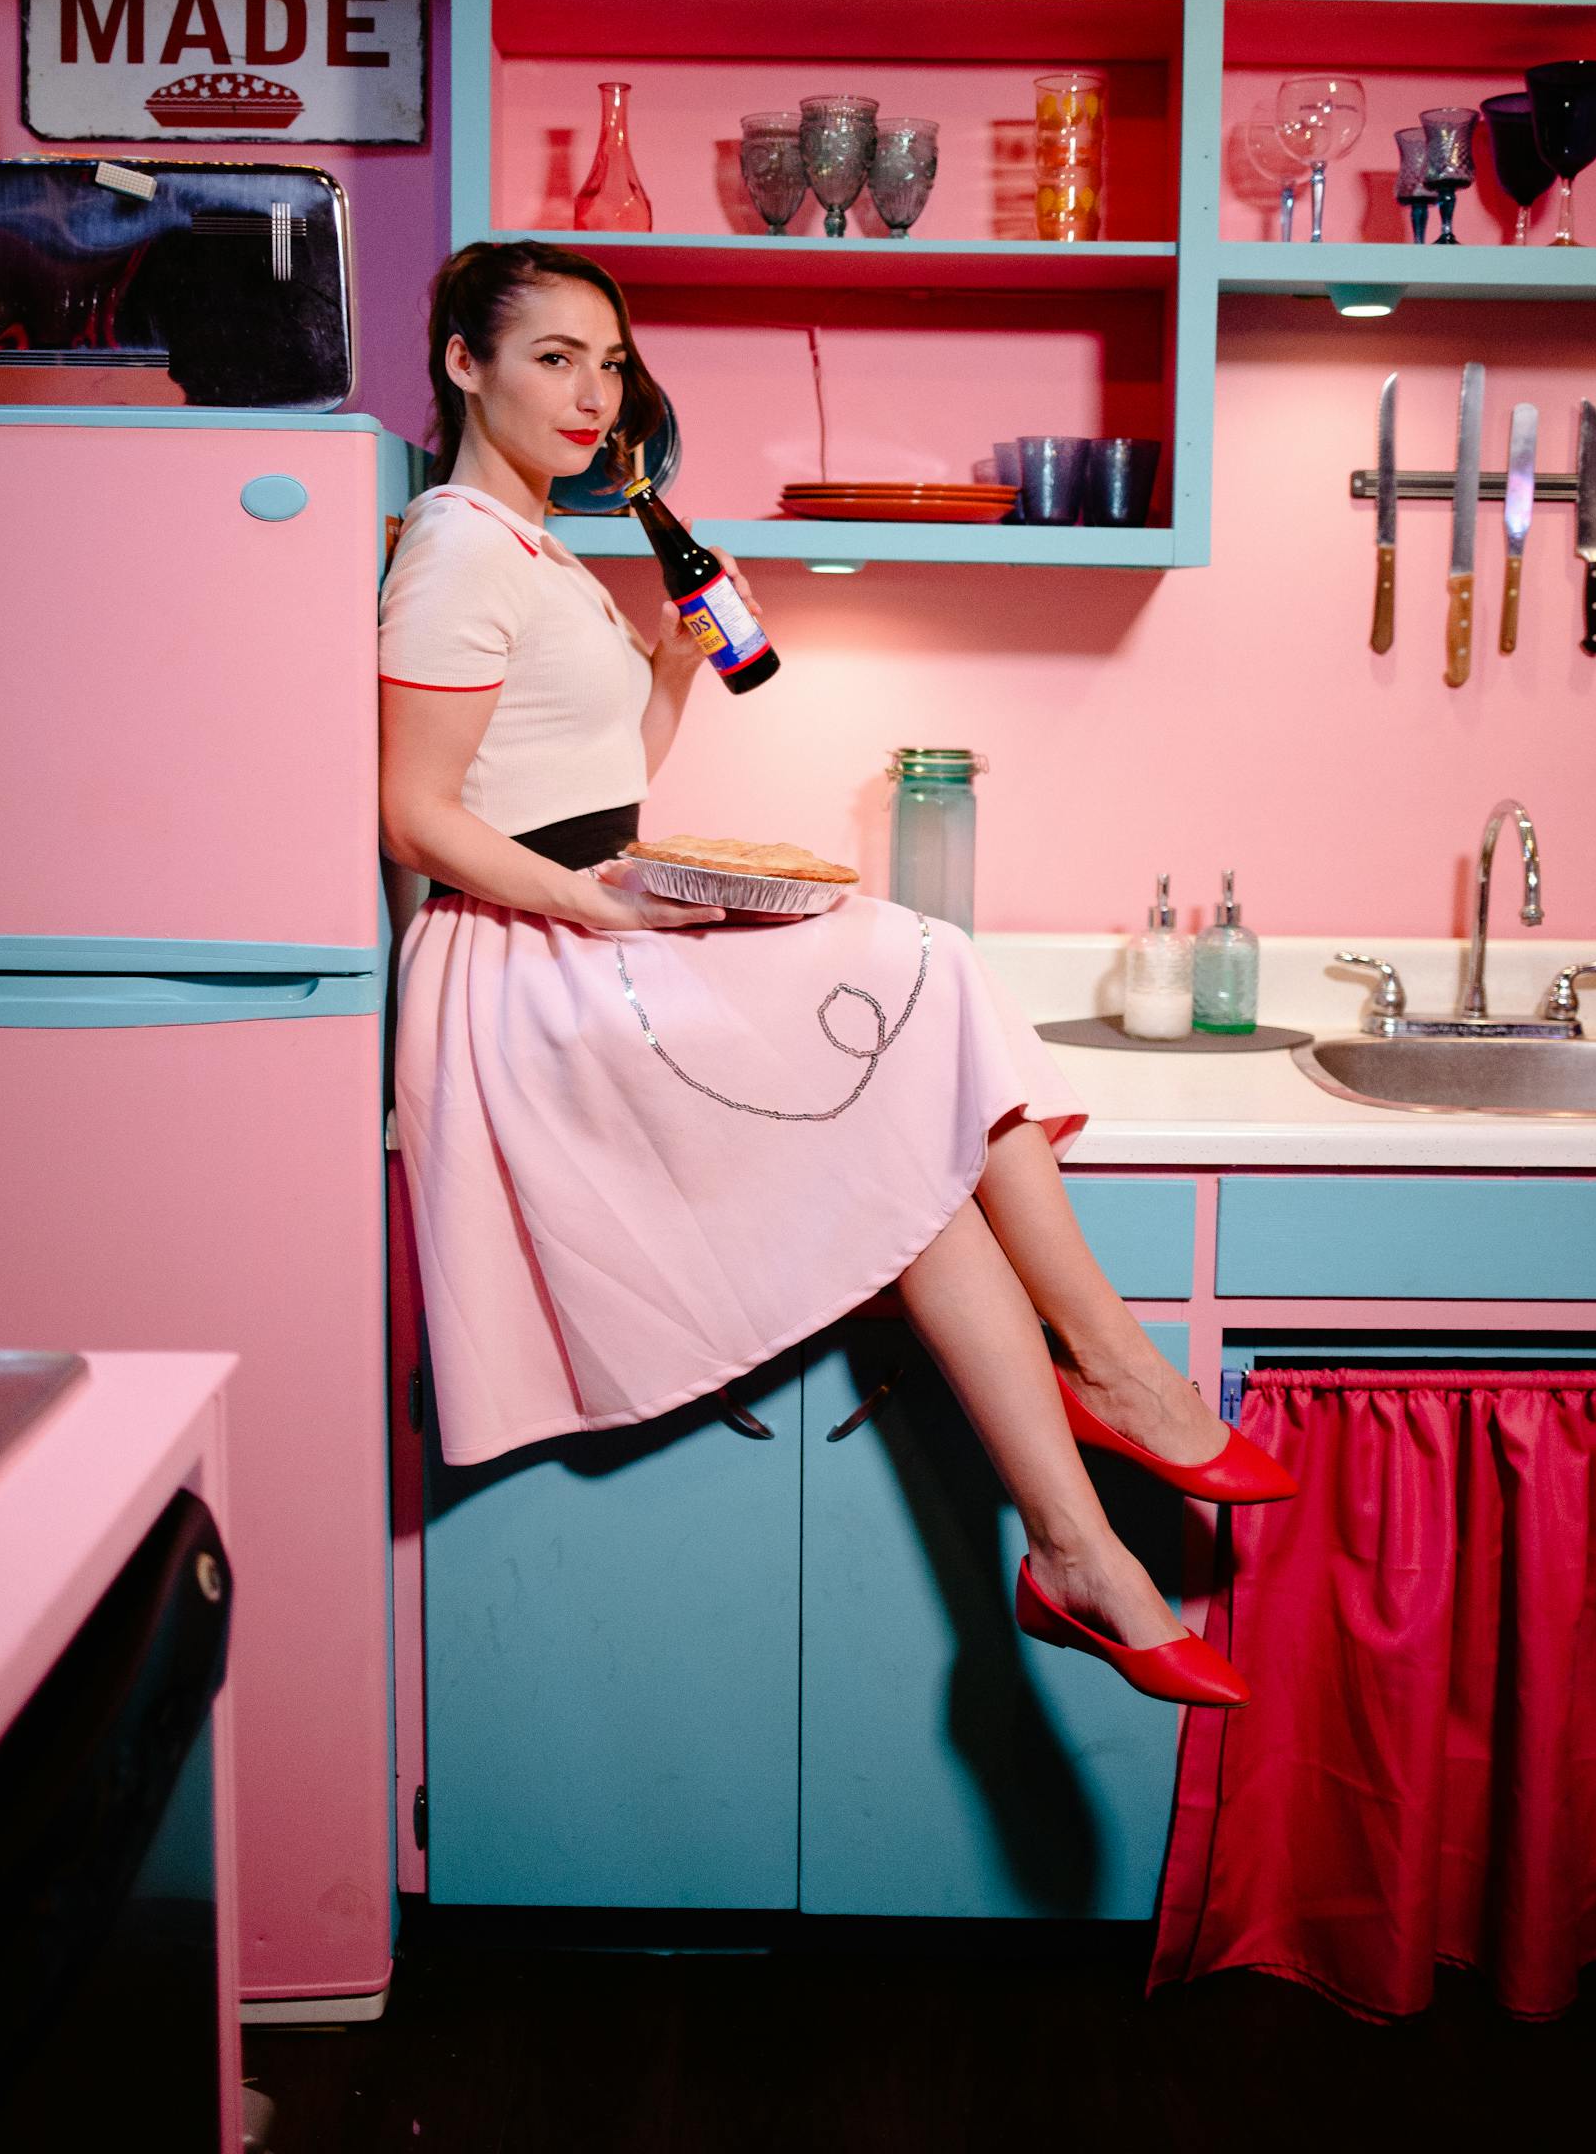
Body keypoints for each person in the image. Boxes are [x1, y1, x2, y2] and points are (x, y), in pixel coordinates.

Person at [379, 241, 1294, 1711]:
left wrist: (673, 674)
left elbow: (584, 779)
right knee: (919, 956)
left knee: (908, 1122)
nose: (591, 392)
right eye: (552, 356)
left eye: (609, 363)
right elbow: (414, 811)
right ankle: (1122, 1376)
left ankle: (1078, 1550)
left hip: (583, 909)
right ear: (463, 364)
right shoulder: (456, 545)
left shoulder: (541, 545)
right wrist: (601, 911)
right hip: (525, 960)